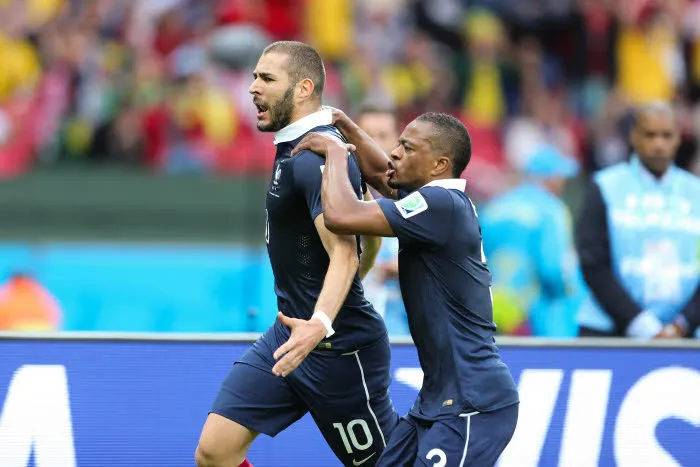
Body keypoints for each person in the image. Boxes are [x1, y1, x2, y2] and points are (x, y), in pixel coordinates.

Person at [195, 41, 397, 467]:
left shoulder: (315, 156)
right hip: (288, 334)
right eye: (253, 76)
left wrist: (320, 324)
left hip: (338, 349)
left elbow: (345, 253)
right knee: (215, 453)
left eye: (267, 78)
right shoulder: (300, 146)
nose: (253, 88)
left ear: (304, 88)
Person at [293, 111, 520, 466]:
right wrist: (347, 126)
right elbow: (383, 176)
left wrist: (337, 153)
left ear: (439, 164)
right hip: (435, 400)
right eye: (398, 143)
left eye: (407, 147)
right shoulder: (437, 203)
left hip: (472, 401)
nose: (394, 153)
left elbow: (340, 214)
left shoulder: (440, 204)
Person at [576, 101, 700, 338]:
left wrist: (681, 325)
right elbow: (593, 263)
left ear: (678, 138)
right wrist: (644, 326)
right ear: (633, 137)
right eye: (650, 135)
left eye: (667, 135)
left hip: (685, 334)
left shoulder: (696, 192)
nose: (658, 144)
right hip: (610, 330)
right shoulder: (604, 186)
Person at [480, 144, 585, 337]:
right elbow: (554, 270)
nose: (563, 182)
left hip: (493, 313)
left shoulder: (495, 207)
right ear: (550, 177)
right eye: (561, 176)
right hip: (538, 318)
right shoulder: (551, 209)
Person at [355, 104, 408, 336]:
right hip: (352, 329)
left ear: (398, 143)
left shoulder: (419, 197)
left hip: (407, 332)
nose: (374, 143)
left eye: (383, 136)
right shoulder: (334, 194)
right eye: (367, 136)